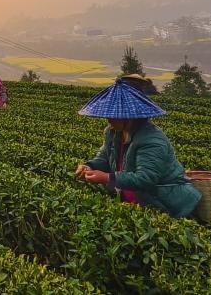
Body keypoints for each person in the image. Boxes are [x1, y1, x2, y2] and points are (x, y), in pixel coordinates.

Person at [74, 81, 201, 218]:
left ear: (128, 117)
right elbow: (104, 157)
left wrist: (107, 178)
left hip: (167, 204)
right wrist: (89, 166)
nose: (108, 120)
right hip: (134, 200)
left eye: (113, 116)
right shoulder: (113, 132)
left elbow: (146, 178)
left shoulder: (152, 140)